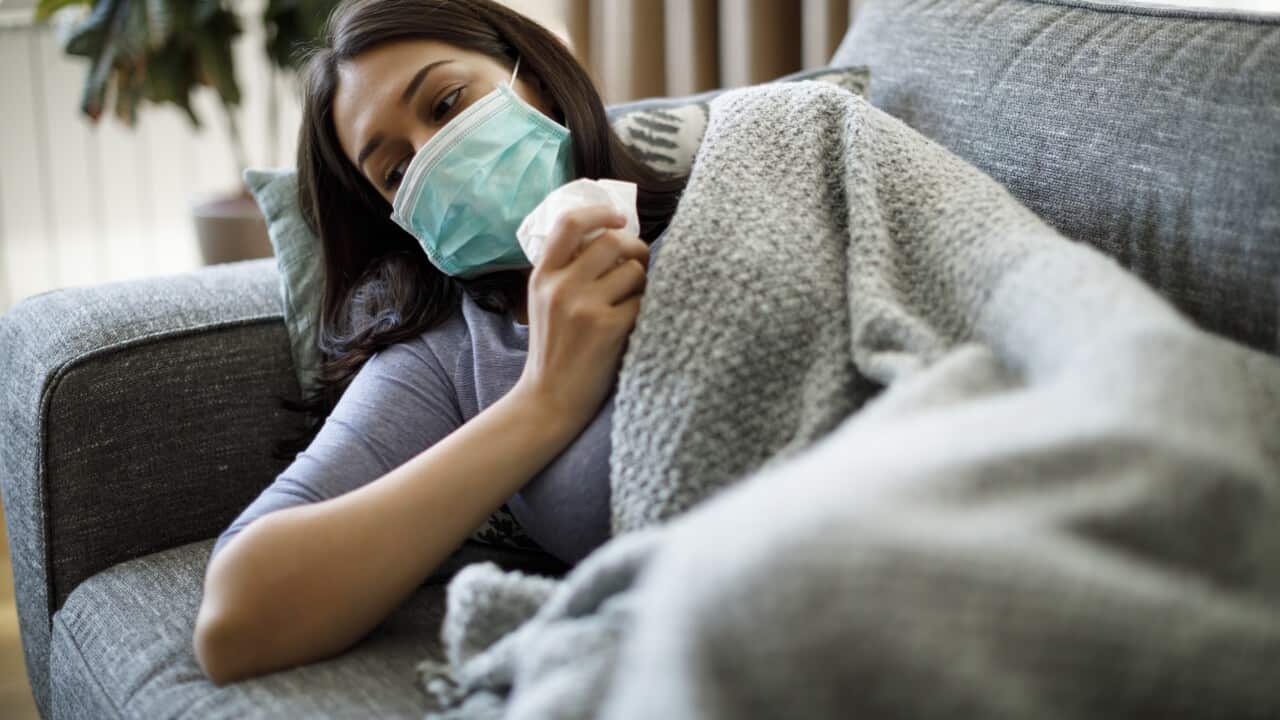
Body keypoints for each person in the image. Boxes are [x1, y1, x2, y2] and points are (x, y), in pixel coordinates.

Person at [193, 0, 688, 685]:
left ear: (536, 74)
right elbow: (235, 619)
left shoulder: (728, 184)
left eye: (447, 102)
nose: (435, 158)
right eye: (396, 172)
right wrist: (544, 401)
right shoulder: (448, 354)